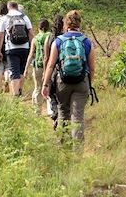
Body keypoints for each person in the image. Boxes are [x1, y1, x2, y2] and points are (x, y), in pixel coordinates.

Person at [41, 10, 96, 143]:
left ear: (66, 24)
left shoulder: (59, 41)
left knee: (63, 114)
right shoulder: (87, 42)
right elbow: (92, 68)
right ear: (79, 24)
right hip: (81, 82)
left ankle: (63, 148)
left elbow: (50, 65)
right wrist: (88, 83)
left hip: (62, 83)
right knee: (77, 117)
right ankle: (77, 153)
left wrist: (45, 84)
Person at [0, 1, 33, 97]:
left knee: (14, 72)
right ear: (17, 7)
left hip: (11, 48)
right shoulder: (25, 17)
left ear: (8, 8)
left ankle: (16, 95)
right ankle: (20, 90)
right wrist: (33, 47)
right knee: (21, 70)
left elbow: (0, 37)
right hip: (25, 47)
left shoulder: (4, 18)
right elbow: (31, 34)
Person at [24, 18, 50, 112]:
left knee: (38, 88)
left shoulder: (35, 39)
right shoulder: (50, 36)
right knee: (49, 87)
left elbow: (31, 55)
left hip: (38, 66)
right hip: (49, 66)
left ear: (38, 27)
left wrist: (26, 68)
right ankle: (50, 110)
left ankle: (37, 110)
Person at [43, 14, 64, 122]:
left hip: (53, 70)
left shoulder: (49, 37)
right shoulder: (65, 37)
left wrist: (45, 73)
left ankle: (56, 113)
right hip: (64, 69)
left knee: (52, 93)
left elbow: (46, 57)